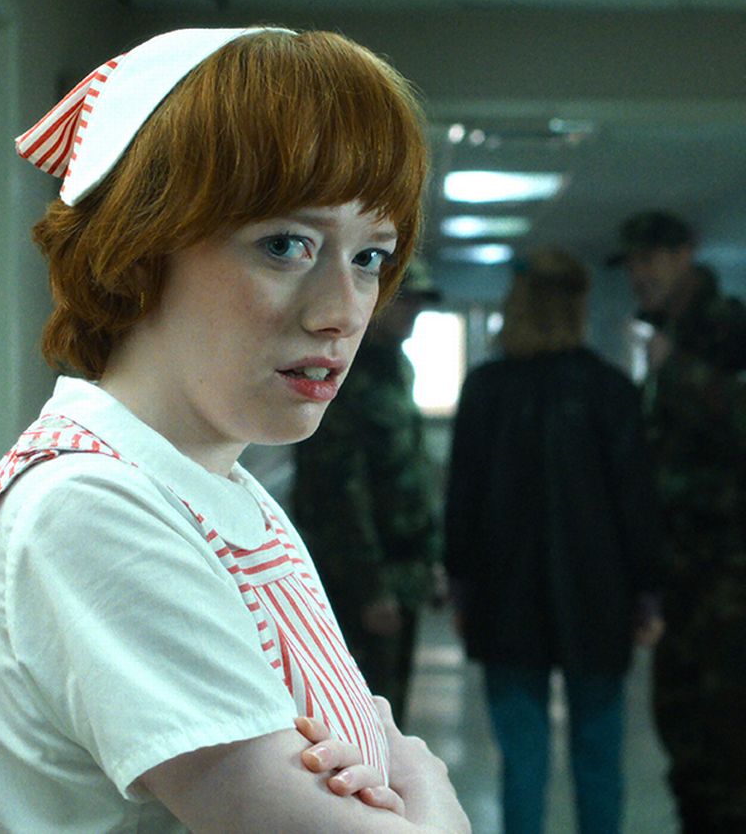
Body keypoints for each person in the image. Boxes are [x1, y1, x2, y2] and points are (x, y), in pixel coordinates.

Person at [0, 27, 470, 833]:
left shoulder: (222, 489)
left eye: (370, 258)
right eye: (286, 245)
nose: (342, 312)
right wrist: (430, 787)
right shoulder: (92, 509)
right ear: (140, 248)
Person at [444, 249, 664, 834]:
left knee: (523, 760)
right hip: (600, 597)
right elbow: (636, 504)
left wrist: (460, 589)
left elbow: (462, 501)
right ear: (579, 307)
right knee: (598, 755)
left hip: (504, 596)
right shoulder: (610, 390)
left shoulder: (486, 389)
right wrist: (647, 593)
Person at [607, 211, 746, 832]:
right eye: (633, 263)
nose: (640, 275)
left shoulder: (729, 329)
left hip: (731, 574)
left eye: (650, 259)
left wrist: (679, 370)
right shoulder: (666, 334)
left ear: (684, 254)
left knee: (729, 741)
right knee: (686, 736)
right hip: (683, 573)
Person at [291, 258, 443, 727]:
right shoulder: (343, 375)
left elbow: (412, 469)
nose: (413, 312)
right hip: (359, 576)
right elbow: (339, 491)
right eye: (405, 301)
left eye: (419, 303)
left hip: (403, 566)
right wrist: (369, 587)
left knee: (392, 707)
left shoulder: (396, 367)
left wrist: (431, 558)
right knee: (360, 712)